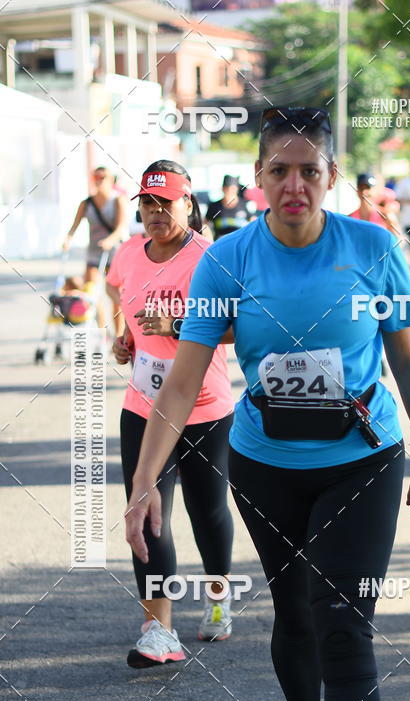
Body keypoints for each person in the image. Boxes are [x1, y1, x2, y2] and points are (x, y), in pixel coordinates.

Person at [125, 106, 410, 701]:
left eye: (309, 169)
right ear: (259, 180)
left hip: (362, 460)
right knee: (294, 615)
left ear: (331, 177)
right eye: (279, 170)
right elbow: (186, 373)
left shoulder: (371, 247)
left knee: (345, 621)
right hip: (265, 466)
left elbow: (406, 351)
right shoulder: (227, 260)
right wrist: (142, 482)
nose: (294, 183)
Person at [106, 159, 235, 667]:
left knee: (208, 512)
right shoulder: (126, 255)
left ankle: (220, 599)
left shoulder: (211, 256)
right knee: (148, 509)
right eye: (147, 203)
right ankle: (158, 629)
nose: (156, 212)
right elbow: (130, 313)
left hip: (203, 408)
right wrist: (126, 343)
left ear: (188, 204)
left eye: (167, 202)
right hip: (142, 405)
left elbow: (239, 325)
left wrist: (178, 323)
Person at [62, 166, 127, 329]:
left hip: (113, 254)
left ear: (111, 180)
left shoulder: (118, 200)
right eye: (96, 177)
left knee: (115, 296)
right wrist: (68, 239)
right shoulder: (86, 203)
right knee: (92, 293)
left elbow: (121, 227)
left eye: (103, 177)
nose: (99, 180)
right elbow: (74, 226)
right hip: (94, 254)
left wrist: (110, 240)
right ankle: (101, 331)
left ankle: (118, 335)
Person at [205, 175, 255, 239]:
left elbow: (254, 223)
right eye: (227, 189)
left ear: (237, 189)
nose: (230, 192)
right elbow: (205, 225)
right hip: (221, 243)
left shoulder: (245, 204)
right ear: (222, 189)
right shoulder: (214, 206)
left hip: (241, 242)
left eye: (233, 189)